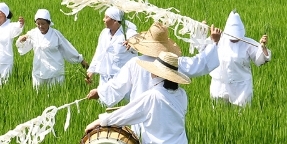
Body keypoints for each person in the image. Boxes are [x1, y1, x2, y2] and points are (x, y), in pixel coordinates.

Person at [85, 51, 191, 144]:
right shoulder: (182, 95)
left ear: (157, 74)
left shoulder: (152, 96)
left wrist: (100, 121)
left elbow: (124, 115)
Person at [88, 22, 220, 112]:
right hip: (166, 114)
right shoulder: (172, 62)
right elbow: (198, 64)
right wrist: (214, 42)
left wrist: (99, 92)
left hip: (140, 114)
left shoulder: (135, 63)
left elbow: (117, 85)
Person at [209, 11, 271, 107]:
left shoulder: (247, 43)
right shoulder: (219, 39)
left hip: (241, 85)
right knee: (218, 111)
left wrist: (262, 46)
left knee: (242, 113)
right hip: (220, 82)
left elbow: (261, 59)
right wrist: (202, 33)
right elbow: (204, 51)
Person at [16, 9, 86, 88]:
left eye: (43, 24)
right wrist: (22, 40)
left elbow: (67, 48)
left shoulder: (55, 34)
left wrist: (81, 60)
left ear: (48, 23)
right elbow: (22, 45)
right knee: (38, 96)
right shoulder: (33, 33)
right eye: (38, 24)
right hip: (38, 71)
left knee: (55, 95)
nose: (40, 26)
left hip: (55, 72)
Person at [87, 7, 138, 84]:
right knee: (104, 95)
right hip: (105, 76)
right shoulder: (104, 33)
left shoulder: (128, 33)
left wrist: (131, 44)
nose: (103, 20)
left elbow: (137, 43)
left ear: (115, 20)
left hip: (122, 78)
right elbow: (99, 52)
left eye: (106, 17)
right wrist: (91, 70)